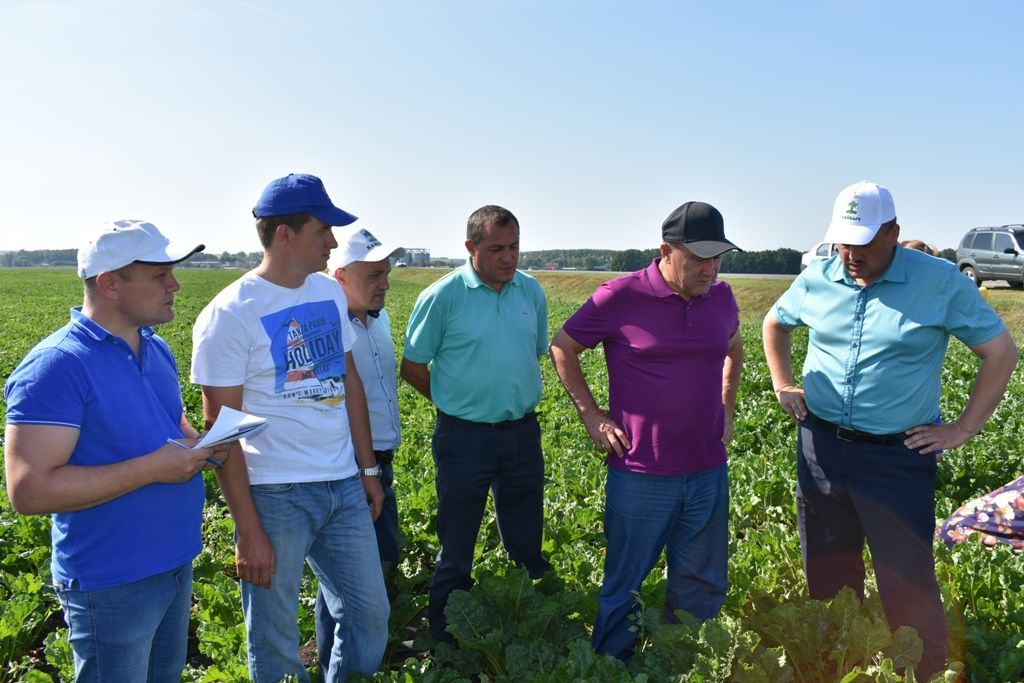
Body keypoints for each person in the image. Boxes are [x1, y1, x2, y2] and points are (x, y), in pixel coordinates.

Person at [762, 181, 1018, 679]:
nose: (850, 254)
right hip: (819, 445)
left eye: (862, 242)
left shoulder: (941, 282)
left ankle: (925, 670)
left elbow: (999, 352)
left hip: (895, 458)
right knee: (828, 567)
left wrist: (964, 428)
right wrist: (783, 383)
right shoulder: (819, 276)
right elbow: (775, 322)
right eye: (843, 241)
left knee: (906, 577)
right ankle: (838, 660)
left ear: (894, 232)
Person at [190, 174, 390, 682]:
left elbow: (348, 382)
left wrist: (367, 468)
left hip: (342, 485)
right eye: (323, 230)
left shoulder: (326, 290)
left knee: (370, 616)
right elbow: (221, 429)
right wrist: (247, 528)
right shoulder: (230, 314)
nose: (331, 242)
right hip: (274, 494)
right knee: (275, 639)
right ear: (284, 234)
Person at [4, 219, 213, 682]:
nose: (175, 285)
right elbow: (29, 490)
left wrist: (201, 444)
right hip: (113, 581)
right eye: (160, 276)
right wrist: (155, 468)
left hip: (174, 561)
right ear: (109, 283)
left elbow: (171, 428)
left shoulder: (154, 349)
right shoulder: (57, 366)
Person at [549, 201, 744, 661]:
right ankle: (613, 665)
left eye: (717, 257)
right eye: (699, 257)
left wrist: (727, 404)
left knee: (702, 582)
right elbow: (564, 347)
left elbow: (734, 346)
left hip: (707, 472)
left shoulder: (722, 297)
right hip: (640, 474)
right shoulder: (621, 295)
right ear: (666, 251)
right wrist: (592, 415)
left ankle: (683, 663)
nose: (710, 268)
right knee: (625, 583)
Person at [400, 204, 553, 642]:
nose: (510, 257)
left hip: (522, 432)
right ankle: (446, 632)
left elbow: (532, 354)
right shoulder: (443, 296)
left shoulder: (531, 292)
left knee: (527, 535)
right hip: (464, 438)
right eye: (498, 248)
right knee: (458, 540)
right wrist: (454, 403)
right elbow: (412, 367)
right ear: (471, 248)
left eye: (515, 247)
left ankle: (531, 617)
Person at [314, 226, 405, 675]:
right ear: (339, 276)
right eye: (373, 275)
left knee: (375, 565)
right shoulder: (325, 327)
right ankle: (340, 663)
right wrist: (365, 469)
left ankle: (357, 658)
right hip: (349, 470)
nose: (384, 283)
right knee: (344, 584)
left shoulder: (378, 317)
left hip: (378, 465)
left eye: (386, 273)